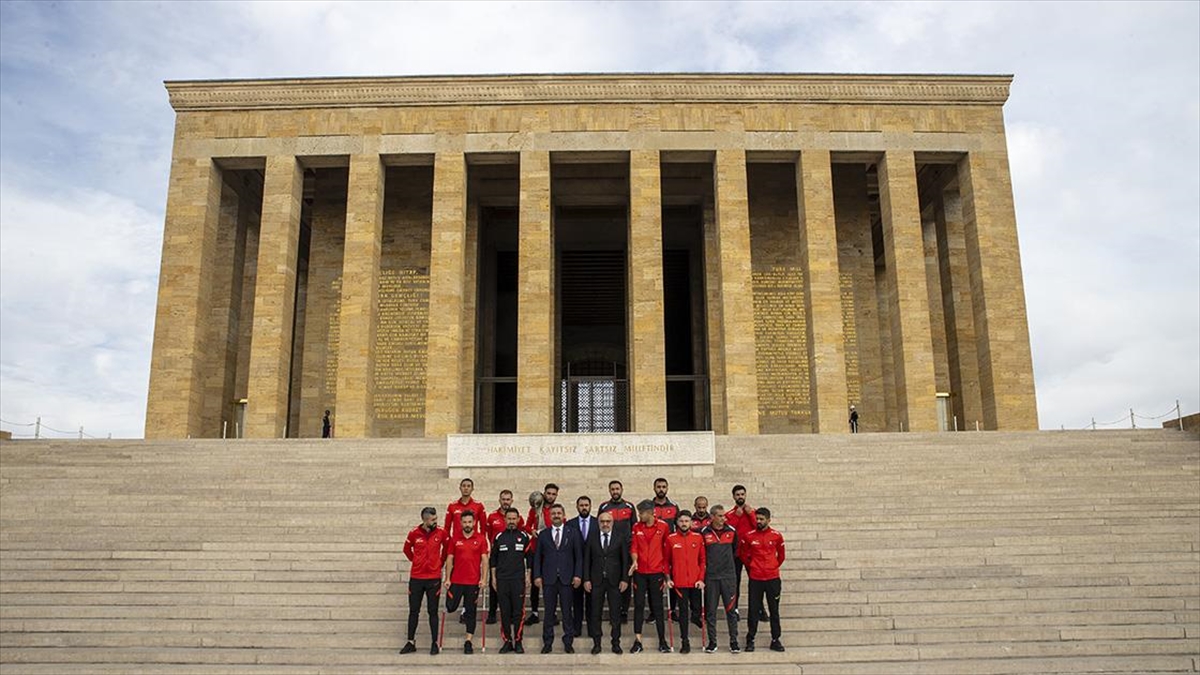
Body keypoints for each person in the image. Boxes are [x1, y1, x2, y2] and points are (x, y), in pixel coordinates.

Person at [532, 504, 583, 653]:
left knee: (567, 612)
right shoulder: (544, 534)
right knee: (549, 612)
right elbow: (537, 558)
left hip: (567, 579)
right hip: (549, 579)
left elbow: (579, 557)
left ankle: (568, 642)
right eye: (553, 513)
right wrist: (537, 576)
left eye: (559, 513)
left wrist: (578, 574)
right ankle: (547, 642)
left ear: (564, 515)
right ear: (549, 516)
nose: (556, 515)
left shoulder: (573, 533)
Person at [400, 506, 447, 655]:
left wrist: (440, 562)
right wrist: (416, 561)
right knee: (414, 611)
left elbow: (447, 548)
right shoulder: (414, 533)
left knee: (433, 611)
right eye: (433, 519)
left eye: (436, 518)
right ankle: (410, 642)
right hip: (416, 578)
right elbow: (407, 549)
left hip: (433, 578)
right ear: (425, 520)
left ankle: (434, 643)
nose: (435, 521)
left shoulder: (441, 532)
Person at [739, 507, 786, 653]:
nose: (758, 521)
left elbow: (781, 556)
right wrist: (753, 566)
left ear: (768, 520)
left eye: (761, 519)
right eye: (757, 519)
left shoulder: (776, 535)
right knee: (753, 610)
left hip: (773, 578)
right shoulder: (749, 536)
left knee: (774, 610)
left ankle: (775, 639)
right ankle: (750, 639)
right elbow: (743, 554)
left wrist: (772, 566)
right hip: (756, 578)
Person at [442, 511, 489, 654]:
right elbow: (449, 559)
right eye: (465, 522)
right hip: (456, 581)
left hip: (472, 582)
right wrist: (447, 578)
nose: (467, 524)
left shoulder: (481, 539)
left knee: (471, 612)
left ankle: (468, 641)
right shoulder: (455, 539)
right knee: (450, 607)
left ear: (474, 523)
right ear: (461, 523)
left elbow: (485, 560)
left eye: (470, 522)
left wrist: (484, 579)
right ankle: (457, 607)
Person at [629, 499, 671, 653]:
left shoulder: (664, 526)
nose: (639, 515)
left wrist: (666, 575)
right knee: (639, 605)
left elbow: (666, 552)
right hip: (640, 573)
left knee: (658, 607)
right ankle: (638, 640)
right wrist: (634, 561)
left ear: (650, 512)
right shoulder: (636, 527)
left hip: (656, 573)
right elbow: (633, 546)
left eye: (641, 513)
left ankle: (662, 640)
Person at [585, 511, 629, 654]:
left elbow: (625, 561)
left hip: (615, 582)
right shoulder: (591, 538)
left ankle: (615, 643)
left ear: (612, 523)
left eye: (608, 521)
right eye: (602, 521)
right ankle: (596, 643)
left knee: (615, 615)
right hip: (596, 581)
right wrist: (586, 579)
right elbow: (587, 561)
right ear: (598, 523)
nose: (605, 524)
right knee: (595, 614)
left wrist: (624, 579)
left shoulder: (620, 538)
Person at [489, 507, 532, 654]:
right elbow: (493, 560)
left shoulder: (524, 536)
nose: (512, 521)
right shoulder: (499, 537)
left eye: (514, 519)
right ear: (505, 520)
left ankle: (518, 641)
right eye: (509, 519)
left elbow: (529, 559)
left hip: (518, 581)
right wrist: (493, 578)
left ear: (518, 519)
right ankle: (507, 641)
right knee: (505, 612)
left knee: (518, 613)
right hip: (502, 580)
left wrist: (528, 576)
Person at [700, 504, 740, 653]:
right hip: (711, 577)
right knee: (711, 611)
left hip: (728, 577)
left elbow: (736, 551)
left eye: (724, 515)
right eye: (721, 516)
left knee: (731, 610)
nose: (724, 518)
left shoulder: (732, 531)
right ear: (712, 517)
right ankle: (712, 642)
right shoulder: (704, 532)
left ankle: (734, 642)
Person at [665, 510, 706, 654]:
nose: (684, 524)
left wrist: (701, 579)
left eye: (687, 521)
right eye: (681, 521)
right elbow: (666, 561)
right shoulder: (671, 539)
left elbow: (702, 560)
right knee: (683, 613)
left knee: (696, 609)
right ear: (677, 522)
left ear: (691, 522)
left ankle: (697, 622)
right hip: (679, 583)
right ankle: (685, 641)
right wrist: (668, 579)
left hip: (695, 582)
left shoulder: (698, 537)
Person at [597, 479, 635, 622]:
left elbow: (634, 527)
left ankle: (624, 610)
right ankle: (612, 610)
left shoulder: (629, 506)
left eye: (617, 489)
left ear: (622, 489)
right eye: (612, 489)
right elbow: (599, 526)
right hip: (610, 549)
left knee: (625, 579)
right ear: (609, 491)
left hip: (625, 549)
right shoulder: (604, 506)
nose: (615, 491)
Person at [485, 490, 523, 625]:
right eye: (503, 499)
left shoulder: (517, 517)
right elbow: (489, 534)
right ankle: (492, 613)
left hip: (512, 558)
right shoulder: (492, 517)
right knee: (493, 585)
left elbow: (522, 532)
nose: (505, 501)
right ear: (499, 500)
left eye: (508, 499)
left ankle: (512, 614)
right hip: (498, 554)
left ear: (511, 500)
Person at [524, 482, 559, 626]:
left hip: (550, 550)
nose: (550, 496)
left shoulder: (557, 510)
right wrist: (531, 531)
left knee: (551, 582)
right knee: (534, 582)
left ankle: (553, 613)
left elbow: (562, 524)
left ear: (556, 496)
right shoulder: (535, 509)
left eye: (553, 494)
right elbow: (526, 525)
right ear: (544, 493)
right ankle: (534, 612)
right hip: (535, 549)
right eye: (548, 493)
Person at [565, 495, 598, 641]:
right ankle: (576, 628)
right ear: (577, 507)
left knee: (592, 601)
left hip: (593, 568)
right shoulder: (570, 524)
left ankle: (592, 629)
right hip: (575, 568)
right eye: (581, 505)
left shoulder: (597, 523)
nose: (584, 507)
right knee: (577, 601)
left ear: (590, 506)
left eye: (586, 505)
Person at [725, 484, 759, 619]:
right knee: (735, 582)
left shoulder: (753, 512)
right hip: (736, 554)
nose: (740, 497)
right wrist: (737, 517)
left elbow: (759, 526)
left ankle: (759, 608)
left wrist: (750, 514)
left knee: (756, 581)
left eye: (742, 494)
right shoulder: (729, 515)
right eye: (738, 495)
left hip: (752, 554)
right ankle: (735, 608)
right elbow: (727, 531)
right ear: (733, 497)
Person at [650, 478, 680, 622]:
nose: (661, 489)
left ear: (667, 488)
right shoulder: (649, 507)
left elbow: (679, 525)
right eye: (658, 487)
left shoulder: (674, 506)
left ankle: (673, 610)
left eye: (663, 487)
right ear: (654, 488)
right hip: (653, 549)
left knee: (671, 578)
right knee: (652, 581)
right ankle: (653, 611)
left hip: (670, 548)